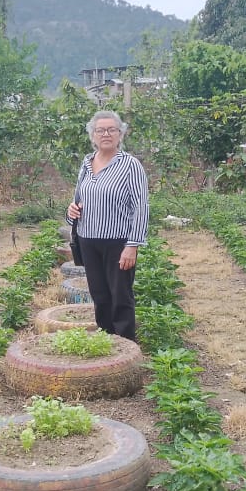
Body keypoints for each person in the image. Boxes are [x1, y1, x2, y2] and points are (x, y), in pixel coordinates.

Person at [65, 110, 149, 342]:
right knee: (100, 296)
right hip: (88, 241)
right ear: (92, 135)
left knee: (120, 296)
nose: (106, 134)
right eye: (100, 130)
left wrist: (132, 245)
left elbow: (140, 207)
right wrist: (71, 211)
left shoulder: (130, 165)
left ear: (120, 134)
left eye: (112, 129)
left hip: (117, 242)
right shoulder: (87, 163)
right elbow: (78, 198)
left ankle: (126, 345)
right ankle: (106, 341)